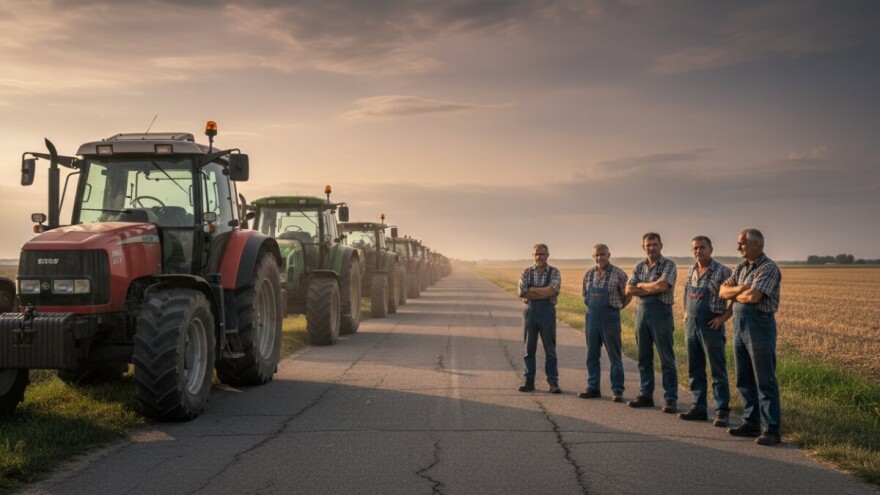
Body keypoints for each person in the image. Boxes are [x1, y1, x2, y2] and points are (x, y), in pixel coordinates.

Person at [720, 228, 782, 446]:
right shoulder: (741, 267)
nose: (738, 248)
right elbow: (722, 291)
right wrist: (741, 289)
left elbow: (754, 296)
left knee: (764, 379)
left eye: (742, 244)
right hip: (739, 325)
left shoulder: (768, 268)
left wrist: (738, 291)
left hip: (759, 325)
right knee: (744, 377)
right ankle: (751, 422)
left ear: (755, 244)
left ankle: (771, 429)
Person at [678, 236, 733, 427]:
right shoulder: (691, 269)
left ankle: (722, 411)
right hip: (692, 324)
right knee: (695, 368)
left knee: (717, 369)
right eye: (695, 248)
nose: (698, 251)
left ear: (711, 249)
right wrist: (685, 312)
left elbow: (736, 296)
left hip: (711, 325)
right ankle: (698, 407)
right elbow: (686, 292)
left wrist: (723, 318)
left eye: (702, 247)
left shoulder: (723, 271)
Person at [625, 232, 679, 413]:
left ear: (661, 245)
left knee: (666, 358)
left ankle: (670, 398)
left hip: (661, 314)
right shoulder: (639, 266)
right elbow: (629, 289)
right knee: (644, 357)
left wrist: (641, 285)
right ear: (643, 247)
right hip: (641, 314)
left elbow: (662, 286)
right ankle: (646, 395)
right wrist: (648, 287)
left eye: (655, 244)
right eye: (648, 245)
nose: (652, 248)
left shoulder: (669, 264)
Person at [578, 244, 631, 402]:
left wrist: (618, 307)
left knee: (615, 356)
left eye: (603, 254)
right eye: (597, 255)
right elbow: (584, 296)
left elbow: (627, 295)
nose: (600, 257)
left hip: (610, 318)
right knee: (592, 355)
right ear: (593, 257)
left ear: (609, 255)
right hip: (592, 318)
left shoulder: (619, 274)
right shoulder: (588, 274)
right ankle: (593, 387)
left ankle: (617, 390)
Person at [518, 243, 562, 394]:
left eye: (542, 254)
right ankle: (529, 381)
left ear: (547, 255)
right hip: (530, 311)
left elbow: (552, 291)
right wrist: (543, 292)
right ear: (533, 255)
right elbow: (522, 292)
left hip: (547, 312)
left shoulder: (554, 272)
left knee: (550, 349)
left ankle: (553, 382)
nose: (539, 257)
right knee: (529, 349)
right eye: (536, 254)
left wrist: (532, 290)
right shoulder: (526, 272)